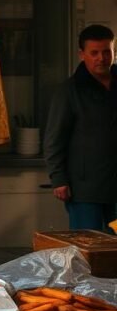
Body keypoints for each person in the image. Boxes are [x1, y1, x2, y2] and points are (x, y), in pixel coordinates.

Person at [44, 24, 117, 231]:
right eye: (94, 53)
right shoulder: (69, 91)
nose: (101, 58)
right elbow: (53, 140)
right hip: (84, 189)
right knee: (88, 249)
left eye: (106, 52)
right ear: (81, 55)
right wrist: (58, 179)